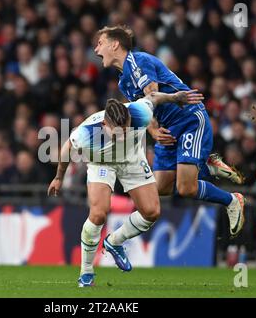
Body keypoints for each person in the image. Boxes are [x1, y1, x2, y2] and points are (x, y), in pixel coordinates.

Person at [94, 25, 245, 238]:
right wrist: (154, 132)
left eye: (100, 43)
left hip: (188, 118)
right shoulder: (123, 80)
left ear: (115, 44)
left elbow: (152, 96)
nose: (96, 49)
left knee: (186, 188)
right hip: (167, 128)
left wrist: (158, 120)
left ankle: (231, 199)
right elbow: (142, 109)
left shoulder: (138, 62)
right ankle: (205, 167)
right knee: (161, 187)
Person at [48, 90, 204, 287]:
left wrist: (174, 98)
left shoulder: (139, 112)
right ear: (105, 126)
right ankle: (86, 274)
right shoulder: (86, 133)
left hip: (132, 161)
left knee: (152, 211)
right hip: (102, 164)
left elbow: (153, 97)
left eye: (126, 130)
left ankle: (114, 241)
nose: (122, 137)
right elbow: (66, 150)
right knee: (98, 214)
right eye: (117, 134)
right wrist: (58, 178)